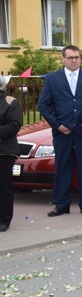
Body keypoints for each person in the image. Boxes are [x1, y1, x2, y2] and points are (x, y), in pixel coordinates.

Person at [38, 45, 82, 217]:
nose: (74, 60)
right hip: (63, 131)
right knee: (63, 166)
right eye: (70, 58)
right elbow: (43, 105)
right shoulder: (52, 79)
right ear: (63, 59)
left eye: (77, 57)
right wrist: (57, 124)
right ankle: (62, 204)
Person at [0, 76, 22, 232]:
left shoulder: (10, 102)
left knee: (3, 186)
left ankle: (4, 220)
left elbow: (14, 125)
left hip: (4, 151)